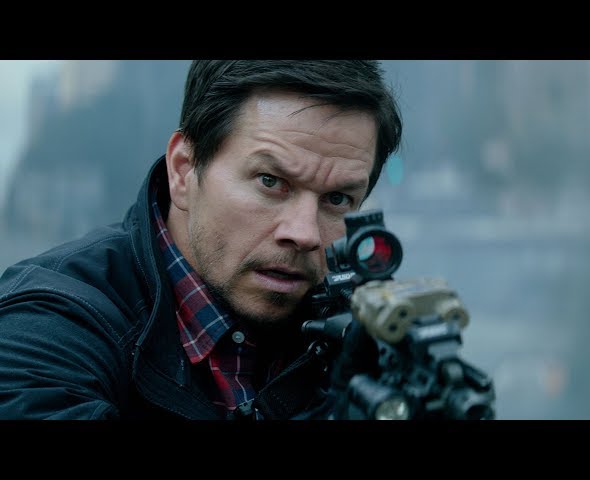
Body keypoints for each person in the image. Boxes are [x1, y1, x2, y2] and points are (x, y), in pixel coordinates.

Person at [0, 60, 402, 420]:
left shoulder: (364, 324)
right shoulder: (45, 326)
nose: (304, 234)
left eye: (337, 199)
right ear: (183, 170)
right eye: (270, 181)